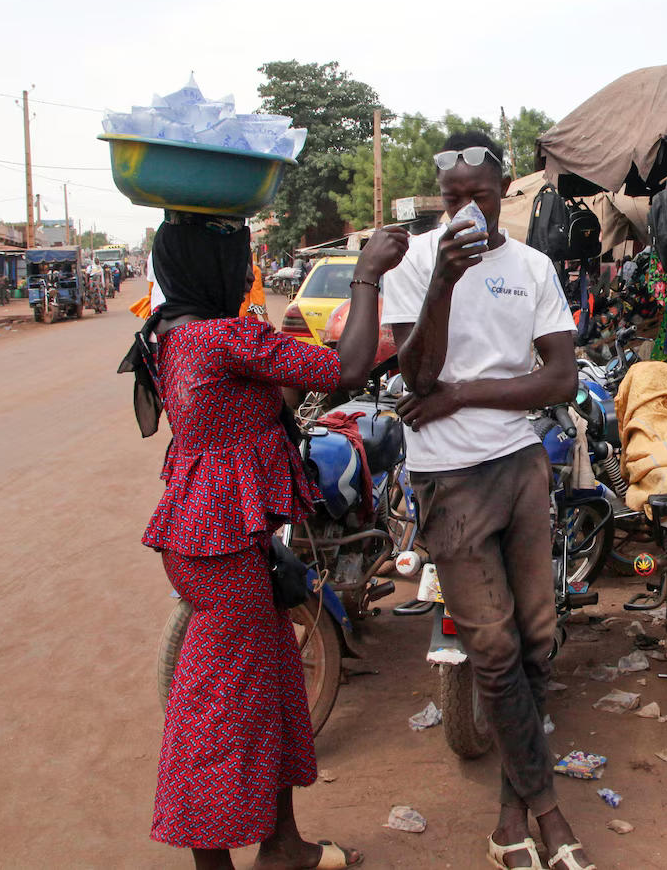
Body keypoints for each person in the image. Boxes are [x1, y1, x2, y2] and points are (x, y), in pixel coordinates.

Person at [126, 212, 403, 870]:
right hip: (220, 544)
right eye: (240, 260)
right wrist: (367, 274)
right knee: (221, 712)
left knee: (276, 680)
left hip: (213, 535)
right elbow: (353, 362)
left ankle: (282, 844)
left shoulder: (173, 333)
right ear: (214, 269)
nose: (249, 271)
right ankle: (215, 862)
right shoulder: (223, 337)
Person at [383, 131, 590, 870]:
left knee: (537, 640)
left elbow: (560, 379)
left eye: (478, 195)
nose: (465, 209)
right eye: (451, 198)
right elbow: (415, 375)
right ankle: (546, 811)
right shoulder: (413, 262)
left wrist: (466, 393)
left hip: (521, 465)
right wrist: (441, 279)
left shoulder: (532, 267)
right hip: (448, 476)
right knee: (494, 650)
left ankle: (510, 817)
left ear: (505, 191)